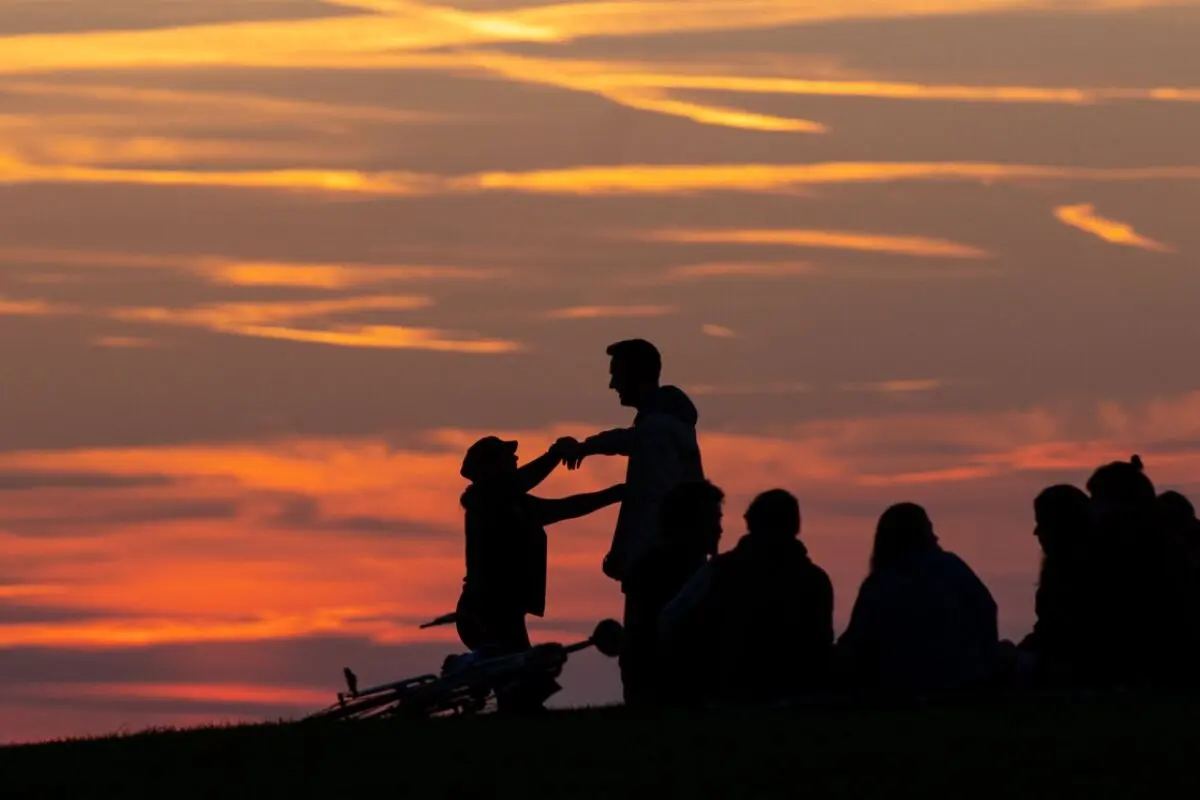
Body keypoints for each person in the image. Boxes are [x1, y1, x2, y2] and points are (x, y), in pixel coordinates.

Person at [555, 339, 705, 702]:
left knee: (645, 656)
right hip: (664, 560)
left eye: (616, 375)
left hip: (657, 563)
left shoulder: (657, 431)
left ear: (636, 375)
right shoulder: (668, 428)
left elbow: (631, 445)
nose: (612, 385)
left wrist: (584, 447)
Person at [455, 435, 623, 710]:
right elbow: (522, 481)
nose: (516, 460)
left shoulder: (514, 504)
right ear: (491, 468)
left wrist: (613, 494)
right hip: (485, 612)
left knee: (520, 682)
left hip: (500, 611)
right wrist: (556, 454)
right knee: (521, 682)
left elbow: (568, 507)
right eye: (508, 457)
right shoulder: (487, 502)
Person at [658, 490, 834, 707]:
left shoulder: (719, 571)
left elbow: (670, 623)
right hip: (795, 704)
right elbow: (821, 644)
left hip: (727, 700)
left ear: (750, 522)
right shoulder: (816, 580)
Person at [836, 503, 1000, 697]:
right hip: (966, 679)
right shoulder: (954, 568)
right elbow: (987, 611)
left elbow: (858, 640)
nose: (937, 537)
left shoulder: (881, 583)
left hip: (898, 685)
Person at [620, 480, 725, 707]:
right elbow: (640, 645)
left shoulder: (713, 574)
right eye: (711, 521)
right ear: (686, 524)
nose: (719, 530)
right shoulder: (651, 575)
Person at [1018, 485, 1092, 686]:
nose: (1036, 532)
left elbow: (1059, 632)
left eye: (1041, 522)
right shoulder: (1069, 567)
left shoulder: (1075, 571)